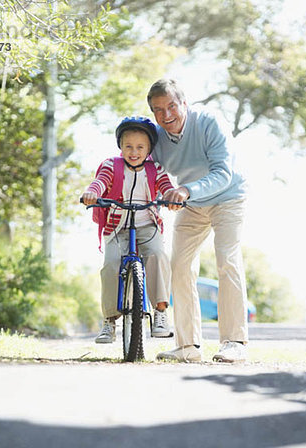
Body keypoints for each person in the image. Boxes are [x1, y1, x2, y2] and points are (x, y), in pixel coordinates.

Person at [147, 79, 248, 363]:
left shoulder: (209, 123)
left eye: (171, 106)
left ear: (184, 104)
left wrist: (186, 190)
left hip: (228, 196)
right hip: (191, 203)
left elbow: (222, 173)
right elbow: (148, 170)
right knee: (178, 265)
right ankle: (187, 346)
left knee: (226, 259)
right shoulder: (157, 137)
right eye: (158, 110)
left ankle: (234, 342)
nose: (166, 116)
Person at [82, 116, 175, 343]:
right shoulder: (110, 165)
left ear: (149, 149)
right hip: (116, 227)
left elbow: (167, 187)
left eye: (140, 147)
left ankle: (161, 312)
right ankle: (109, 322)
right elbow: (100, 182)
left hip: (147, 226)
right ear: (120, 147)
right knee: (111, 265)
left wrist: (173, 196)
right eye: (128, 146)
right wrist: (92, 192)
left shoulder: (156, 169)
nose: (134, 152)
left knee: (158, 256)